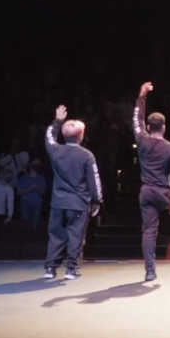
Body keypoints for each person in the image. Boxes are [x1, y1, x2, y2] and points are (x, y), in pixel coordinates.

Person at [132, 82, 170, 282]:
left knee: (148, 231)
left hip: (147, 192)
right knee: (168, 218)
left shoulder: (142, 140)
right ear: (164, 127)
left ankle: (150, 270)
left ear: (149, 127)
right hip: (163, 193)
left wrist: (141, 96)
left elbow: (136, 120)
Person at [42, 104, 104, 280]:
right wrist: (97, 201)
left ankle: (50, 269)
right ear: (81, 135)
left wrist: (57, 120)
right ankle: (71, 269)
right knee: (75, 235)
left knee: (55, 235)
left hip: (58, 203)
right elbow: (94, 180)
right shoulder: (86, 155)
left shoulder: (55, 151)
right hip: (78, 204)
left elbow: (48, 137)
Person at [15, 160, 48, 230]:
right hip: (25, 203)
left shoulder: (41, 179)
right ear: (30, 165)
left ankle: (32, 238)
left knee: (34, 224)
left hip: (36, 204)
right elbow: (19, 192)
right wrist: (30, 188)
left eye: (38, 164)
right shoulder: (24, 178)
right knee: (25, 223)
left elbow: (43, 193)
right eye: (35, 164)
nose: (37, 166)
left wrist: (37, 187)